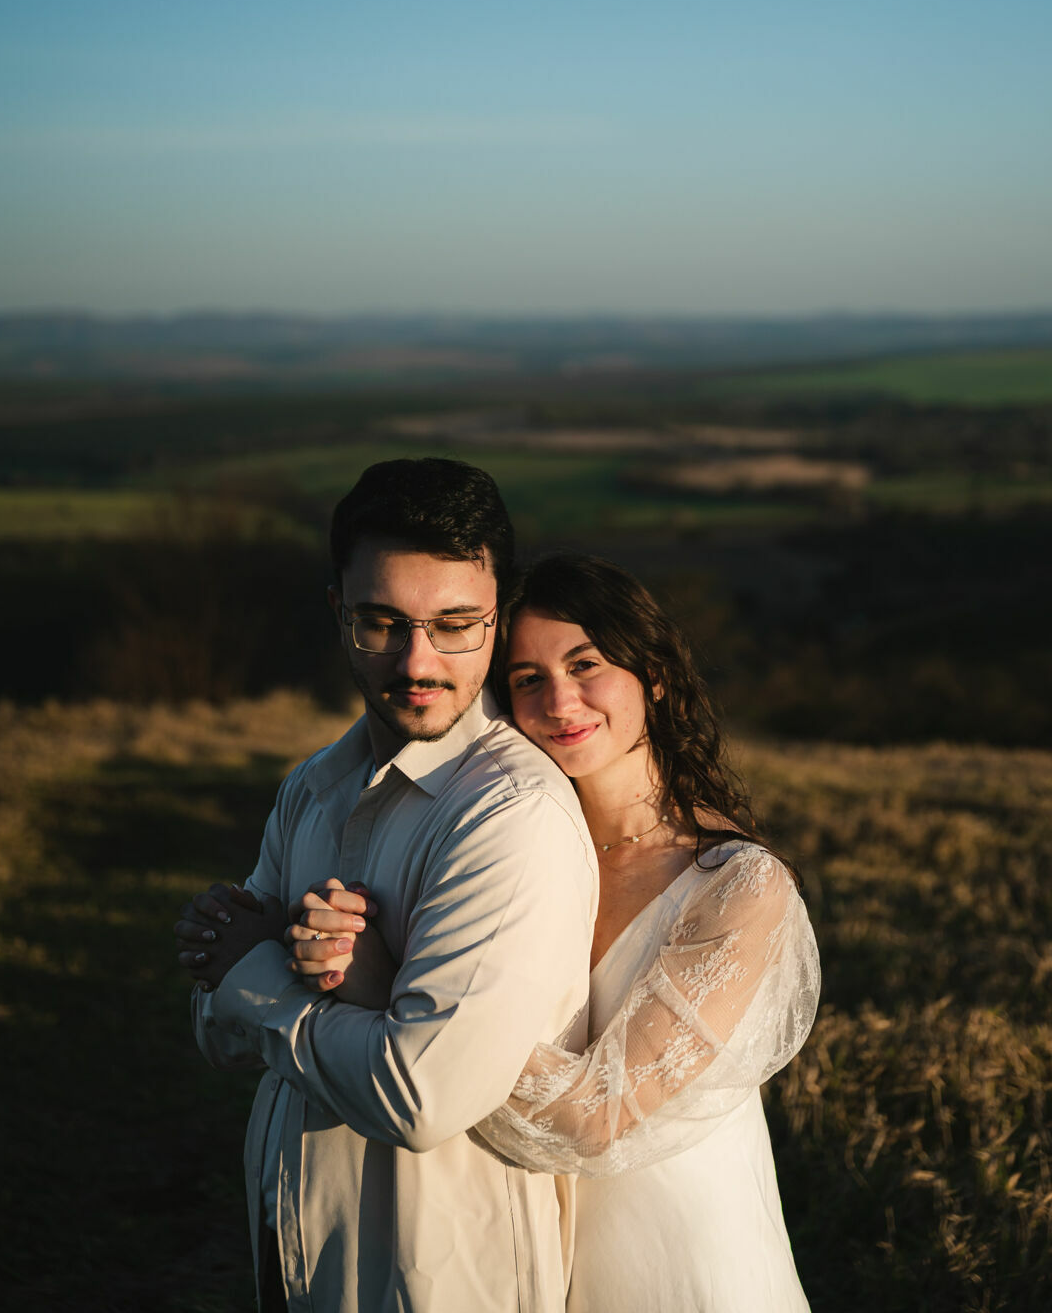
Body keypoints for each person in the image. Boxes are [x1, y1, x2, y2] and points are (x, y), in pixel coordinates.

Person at [297, 552, 820, 1312]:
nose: (561, 700)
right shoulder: (530, 848)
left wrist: (401, 995)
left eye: (586, 664)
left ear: (656, 677)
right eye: (528, 679)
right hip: (537, 1232)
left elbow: (598, 1116)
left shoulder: (737, 885)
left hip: (680, 1246)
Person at [174, 460, 599, 1313]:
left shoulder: (512, 818)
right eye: (381, 623)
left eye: (456, 626)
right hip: (289, 1236)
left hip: (435, 1266)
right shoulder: (312, 784)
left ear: (499, 618)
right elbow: (209, 1029)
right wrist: (278, 983)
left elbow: (420, 1096)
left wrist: (259, 974)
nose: (417, 662)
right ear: (338, 609)